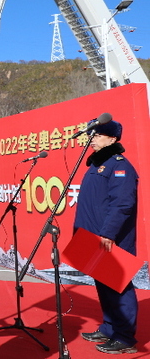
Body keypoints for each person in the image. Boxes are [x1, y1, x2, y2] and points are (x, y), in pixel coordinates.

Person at [75, 119, 139, 354]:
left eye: (98, 135)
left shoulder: (119, 166)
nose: (92, 139)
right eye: (91, 135)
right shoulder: (97, 164)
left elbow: (122, 204)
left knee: (118, 287)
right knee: (103, 285)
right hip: (93, 236)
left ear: (112, 139)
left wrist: (108, 232)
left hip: (110, 238)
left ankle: (124, 337)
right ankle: (110, 328)